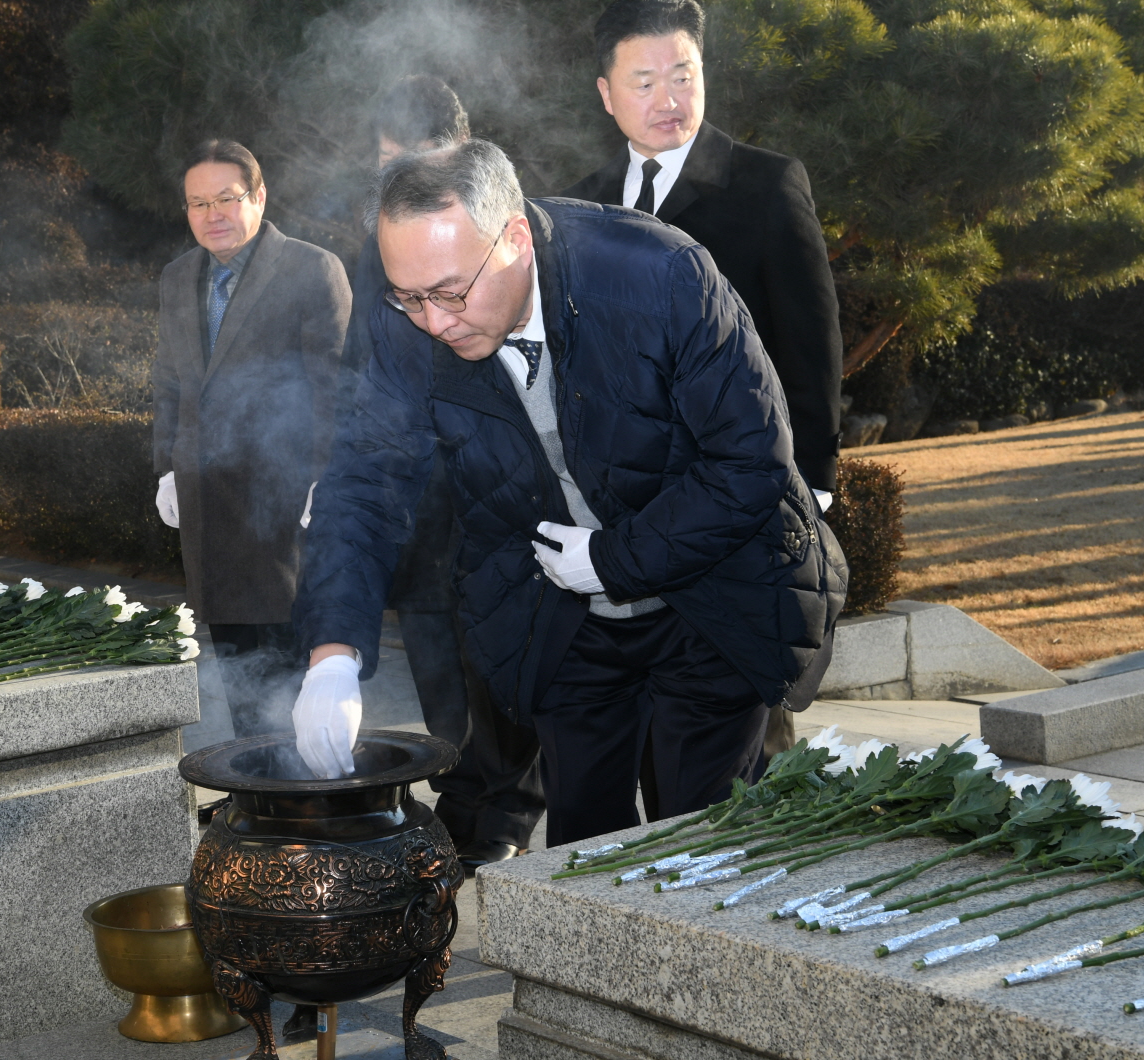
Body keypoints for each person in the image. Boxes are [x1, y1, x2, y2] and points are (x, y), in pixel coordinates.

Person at [290, 139, 846, 848]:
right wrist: (332, 656)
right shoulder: (409, 330)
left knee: (696, 837)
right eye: (410, 297)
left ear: (515, 237)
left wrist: (616, 559)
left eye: (453, 292)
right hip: (563, 618)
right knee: (583, 847)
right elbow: (363, 482)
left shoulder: (660, 276)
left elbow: (751, 462)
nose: (435, 322)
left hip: (711, 599)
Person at [564, 0, 844, 770]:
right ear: (606, 93)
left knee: (748, 726)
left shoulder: (766, 183)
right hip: (629, 517)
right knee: (655, 732)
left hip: (738, 500)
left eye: (683, 75)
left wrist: (811, 483)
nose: (669, 98)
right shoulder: (583, 202)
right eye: (646, 80)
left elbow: (810, 337)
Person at [341, 76, 544, 875]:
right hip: (415, 488)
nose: (397, 183)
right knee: (432, 647)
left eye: (413, 161)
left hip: (488, 482)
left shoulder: (491, 235)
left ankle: (509, 809)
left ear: (458, 153)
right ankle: (460, 800)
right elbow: (363, 358)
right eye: (385, 164)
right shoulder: (378, 245)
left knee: (498, 658)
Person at [152, 139, 349, 739]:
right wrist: (167, 468)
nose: (211, 214)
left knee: (294, 669)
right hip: (209, 507)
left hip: (286, 507)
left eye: (226, 199)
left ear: (259, 197)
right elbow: (170, 385)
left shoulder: (312, 269)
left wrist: (330, 478)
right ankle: (258, 789)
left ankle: (306, 799)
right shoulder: (178, 276)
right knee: (237, 668)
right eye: (196, 203)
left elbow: (336, 387)